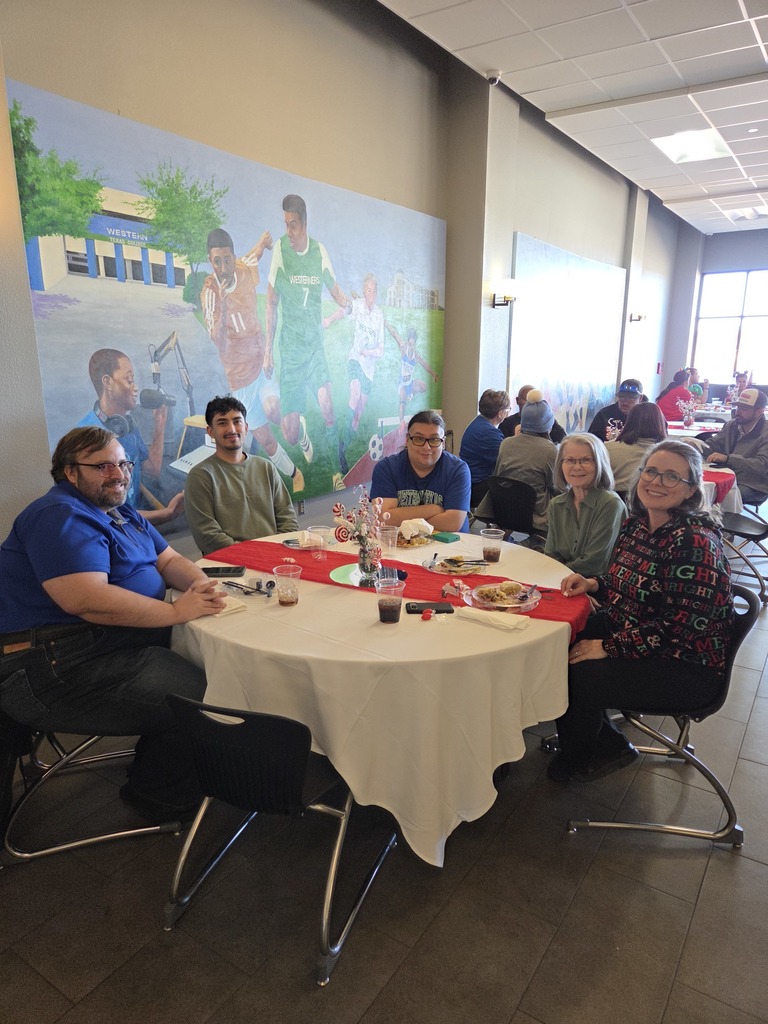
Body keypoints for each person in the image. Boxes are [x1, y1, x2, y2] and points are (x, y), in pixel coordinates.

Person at [0, 427, 227, 826]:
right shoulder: (59, 515)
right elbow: (87, 600)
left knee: (208, 676)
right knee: (201, 695)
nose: (119, 473)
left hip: (101, 650)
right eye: (103, 466)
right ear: (71, 473)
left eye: (123, 463)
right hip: (52, 667)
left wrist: (199, 584)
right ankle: (158, 795)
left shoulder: (121, 512)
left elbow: (169, 560)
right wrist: (177, 613)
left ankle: (162, 766)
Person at [548, 440, 733, 783]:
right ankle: (604, 737)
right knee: (558, 638)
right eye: (651, 471)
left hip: (683, 663)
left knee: (580, 672)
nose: (656, 482)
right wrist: (594, 584)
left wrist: (606, 648)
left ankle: (582, 757)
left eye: (671, 477)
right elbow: (628, 583)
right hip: (632, 630)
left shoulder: (693, 542)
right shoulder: (637, 525)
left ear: (692, 491)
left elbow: (681, 628)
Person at [201, 228, 304, 493]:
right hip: (240, 377)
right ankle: (295, 474)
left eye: (227, 259)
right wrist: (223, 305)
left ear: (232, 256)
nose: (223, 266)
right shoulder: (211, 291)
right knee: (265, 439)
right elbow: (218, 340)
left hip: (261, 362)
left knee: (274, 411)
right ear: (210, 261)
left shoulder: (242, 268)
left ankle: (298, 429)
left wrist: (262, 243)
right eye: (217, 261)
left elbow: (252, 256)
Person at [265, 194, 349, 491]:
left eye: (294, 225)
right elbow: (271, 303)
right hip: (290, 352)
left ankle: (338, 470)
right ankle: (301, 433)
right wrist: (267, 353)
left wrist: (347, 303)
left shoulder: (319, 252)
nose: (289, 231)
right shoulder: (280, 250)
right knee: (288, 434)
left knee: (327, 405)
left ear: (305, 224)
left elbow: (335, 290)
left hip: (314, 348)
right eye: (286, 225)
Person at [78, 349, 184, 526]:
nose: (135, 387)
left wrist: (159, 424)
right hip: (114, 529)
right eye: (129, 379)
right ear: (107, 382)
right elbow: (109, 515)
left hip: (132, 523)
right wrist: (167, 514)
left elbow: (151, 470)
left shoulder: (129, 425)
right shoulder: (86, 436)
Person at [185, 396, 298, 556]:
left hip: (275, 560)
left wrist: (275, 551)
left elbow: (287, 517)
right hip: (231, 569)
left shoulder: (266, 467)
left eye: (237, 421)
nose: (231, 429)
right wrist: (254, 554)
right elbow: (207, 536)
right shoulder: (200, 476)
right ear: (210, 431)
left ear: (245, 427)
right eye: (222, 423)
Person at [323, 273, 385, 472]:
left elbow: (381, 349)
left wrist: (369, 352)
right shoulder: (357, 305)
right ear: (364, 291)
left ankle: (342, 447)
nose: (371, 294)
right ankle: (337, 445)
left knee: (358, 415)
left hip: (369, 368)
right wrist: (330, 320)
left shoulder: (379, 315)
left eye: (374, 291)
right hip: (355, 360)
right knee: (355, 393)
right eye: (368, 290)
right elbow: (344, 310)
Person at [370, 410, 471, 533]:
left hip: (449, 546)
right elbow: (383, 518)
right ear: (407, 440)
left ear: (443, 443)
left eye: (434, 440)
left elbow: (452, 523)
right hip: (402, 546)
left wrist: (401, 518)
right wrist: (433, 509)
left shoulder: (458, 470)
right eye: (418, 439)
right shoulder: (386, 468)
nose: (426, 447)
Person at [476, 389, 559, 534]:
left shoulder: (506, 443)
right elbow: (557, 487)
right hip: (536, 516)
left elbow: (499, 475)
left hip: (504, 511)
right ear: (548, 424)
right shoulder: (551, 450)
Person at [544, 433, 625, 576]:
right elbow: (551, 555)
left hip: (596, 589)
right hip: (559, 581)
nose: (577, 467)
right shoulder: (556, 504)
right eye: (570, 460)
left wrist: (555, 574)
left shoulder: (611, 504)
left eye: (586, 460)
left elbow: (595, 564)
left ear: (599, 463)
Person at [702, 388, 768, 505]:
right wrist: (695, 447)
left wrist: (728, 458)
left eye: (744, 408)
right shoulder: (731, 425)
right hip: (727, 476)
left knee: (721, 496)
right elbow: (713, 444)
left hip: (755, 484)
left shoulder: (765, 433)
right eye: (738, 407)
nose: (738, 412)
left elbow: (762, 466)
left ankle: (717, 522)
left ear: (759, 411)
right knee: (694, 486)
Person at [459, 389, 511, 507]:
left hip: (469, 482)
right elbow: (508, 459)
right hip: (477, 487)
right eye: (508, 410)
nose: (508, 414)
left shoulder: (478, 423)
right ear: (500, 413)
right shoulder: (489, 433)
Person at [605, 401, 668, 495]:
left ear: (629, 422)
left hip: (616, 501)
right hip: (655, 499)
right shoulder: (670, 454)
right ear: (661, 423)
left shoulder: (608, 449)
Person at [384, 322, 439, 429]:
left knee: (423, 387)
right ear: (408, 342)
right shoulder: (404, 348)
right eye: (410, 344)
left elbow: (424, 363)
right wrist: (386, 324)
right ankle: (401, 422)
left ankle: (412, 394)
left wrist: (434, 374)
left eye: (413, 344)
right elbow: (395, 334)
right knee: (403, 400)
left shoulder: (415, 355)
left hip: (410, 381)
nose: (411, 346)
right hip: (402, 383)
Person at [499, 384, 566, 442]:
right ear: (517, 400)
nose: (531, 403)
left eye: (536, 401)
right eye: (526, 399)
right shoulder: (506, 423)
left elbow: (563, 438)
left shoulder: (546, 421)